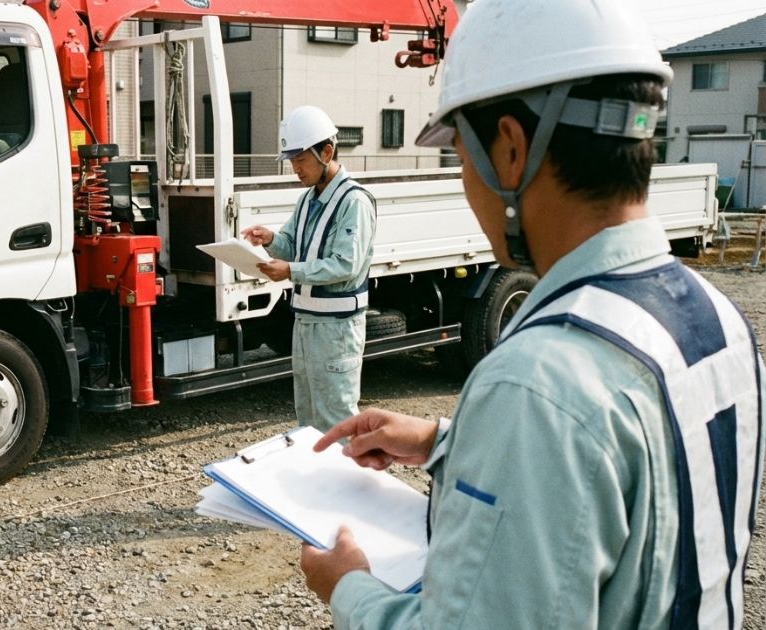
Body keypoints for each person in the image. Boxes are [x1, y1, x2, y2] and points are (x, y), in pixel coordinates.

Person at [298, 0, 766, 628]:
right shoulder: (718, 320)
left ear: (511, 150)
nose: (467, 185)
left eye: (464, 157)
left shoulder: (536, 383)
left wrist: (349, 588)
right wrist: (447, 442)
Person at [241, 105, 376, 431]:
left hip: (336, 329)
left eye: (300, 160)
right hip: (305, 322)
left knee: (337, 419)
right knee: (308, 418)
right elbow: (293, 243)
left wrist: (291, 271)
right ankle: (320, 480)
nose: (295, 169)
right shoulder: (307, 199)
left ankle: (345, 482)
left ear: (326, 152)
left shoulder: (354, 202)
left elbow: (345, 264)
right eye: (292, 161)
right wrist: (270, 238)